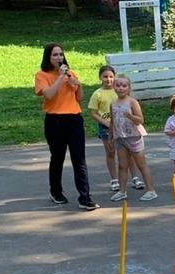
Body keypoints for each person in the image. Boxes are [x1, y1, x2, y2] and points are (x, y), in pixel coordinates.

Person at [34, 42, 99, 211]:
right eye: (55, 55)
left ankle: (85, 197)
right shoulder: (42, 75)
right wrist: (61, 78)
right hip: (55, 121)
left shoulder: (71, 72)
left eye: (61, 54)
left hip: (74, 119)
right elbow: (48, 95)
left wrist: (78, 84)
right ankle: (56, 191)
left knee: (80, 160)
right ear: (48, 57)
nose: (59, 58)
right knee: (57, 157)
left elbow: (79, 98)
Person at [88, 65, 145, 192]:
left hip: (124, 126)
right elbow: (93, 112)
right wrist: (106, 123)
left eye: (111, 77)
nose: (108, 79)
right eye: (105, 77)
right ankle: (114, 179)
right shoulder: (97, 94)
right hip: (106, 127)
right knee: (111, 152)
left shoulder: (119, 90)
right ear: (100, 78)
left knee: (129, 152)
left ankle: (134, 177)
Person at [109, 74, 157, 202]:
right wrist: (110, 137)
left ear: (129, 88)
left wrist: (130, 116)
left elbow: (140, 120)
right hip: (120, 137)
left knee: (141, 164)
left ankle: (151, 190)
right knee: (122, 165)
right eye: (118, 85)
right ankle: (122, 191)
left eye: (124, 86)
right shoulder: (113, 103)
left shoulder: (132, 102)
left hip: (133, 137)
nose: (121, 88)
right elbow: (112, 122)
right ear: (114, 87)